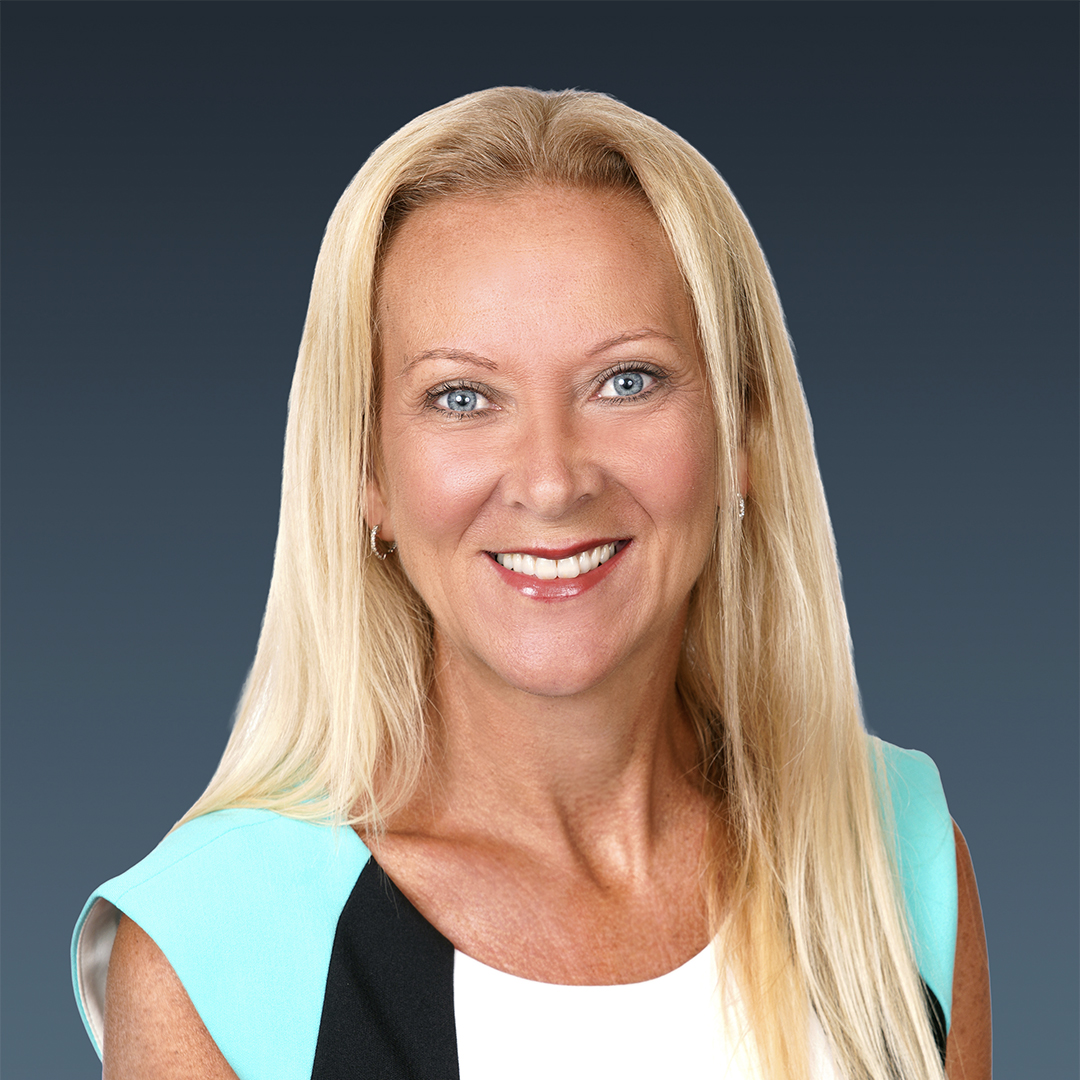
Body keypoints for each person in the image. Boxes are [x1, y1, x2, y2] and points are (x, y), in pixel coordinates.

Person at [71, 87, 991, 1079]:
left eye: (627, 381)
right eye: (462, 397)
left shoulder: (896, 856)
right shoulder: (217, 950)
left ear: (743, 434)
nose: (552, 481)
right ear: (367, 472)